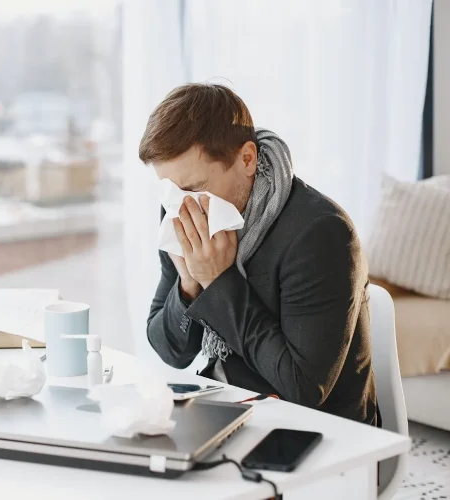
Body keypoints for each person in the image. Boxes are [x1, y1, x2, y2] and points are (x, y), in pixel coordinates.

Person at [141, 83, 378, 426]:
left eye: (193, 188)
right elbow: (172, 352)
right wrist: (189, 284)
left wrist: (219, 282)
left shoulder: (321, 234)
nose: (181, 205)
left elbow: (304, 388)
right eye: (170, 189)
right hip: (224, 405)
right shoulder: (180, 210)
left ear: (247, 159)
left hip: (317, 430)